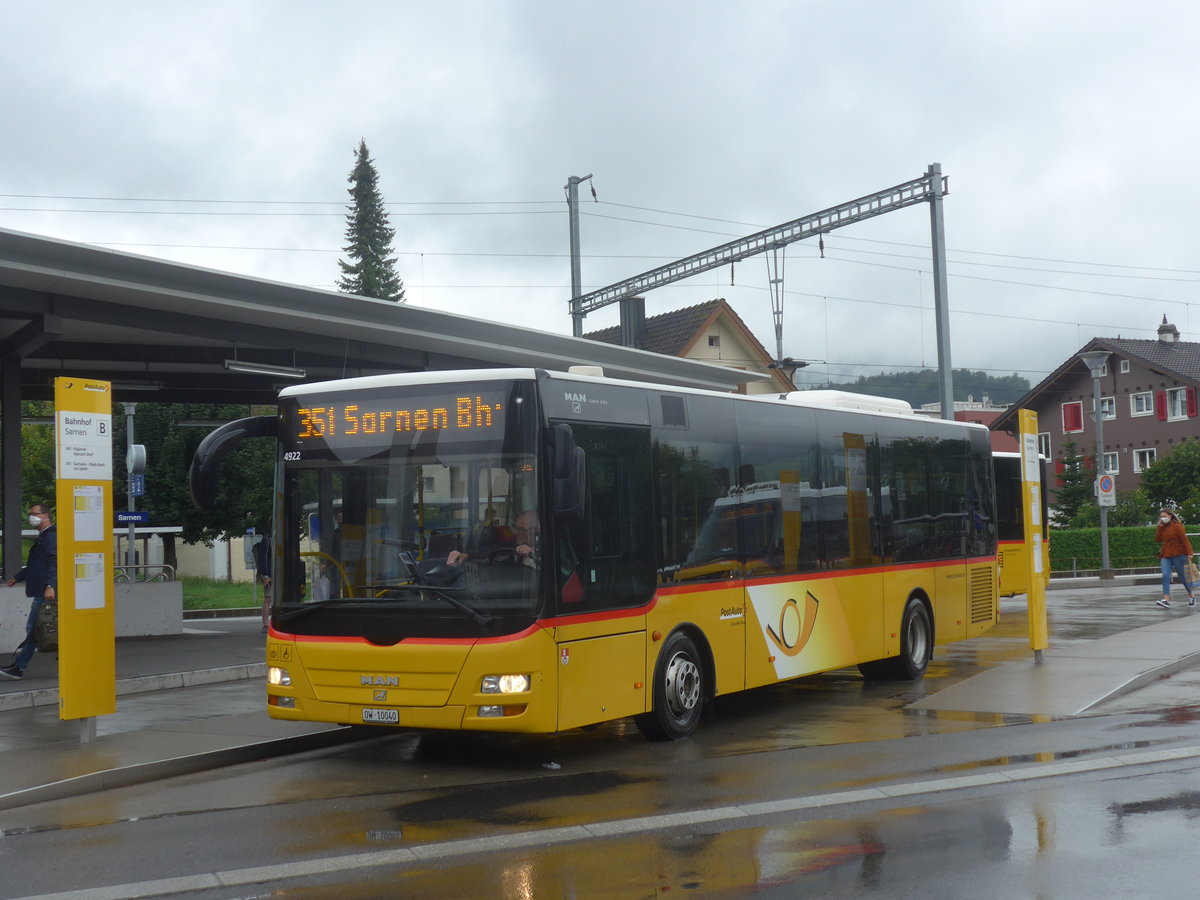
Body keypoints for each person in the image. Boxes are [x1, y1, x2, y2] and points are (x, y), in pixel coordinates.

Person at [1, 503, 57, 680]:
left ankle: (19, 667)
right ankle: (19, 667)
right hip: (44, 589)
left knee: (35, 629)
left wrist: (50, 585)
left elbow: (53, 561)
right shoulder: (44, 536)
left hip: (46, 591)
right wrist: (18, 577)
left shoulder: (50, 536)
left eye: (35, 514)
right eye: (30, 513)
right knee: (39, 630)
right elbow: (36, 564)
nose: (31, 516)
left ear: (45, 516)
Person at [1155, 508, 1195, 609]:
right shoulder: (1162, 527)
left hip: (1178, 554)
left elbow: (1185, 540)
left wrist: (1189, 553)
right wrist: (1160, 526)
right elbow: (1158, 539)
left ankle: (1191, 594)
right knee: (1165, 575)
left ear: (1170, 516)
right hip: (1165, 555)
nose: (1162, 518)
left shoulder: (1177, 526)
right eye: (1161, 516)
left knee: (1183, 577)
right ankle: (1166, 599)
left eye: (1164, 516)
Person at [254, 533, 272, 633]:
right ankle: (265, 625)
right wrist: (265, 575)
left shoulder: (282, 538)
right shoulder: (267, 539)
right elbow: (263, 557)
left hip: (280, 574)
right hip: (270, 574)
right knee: (268, 598)